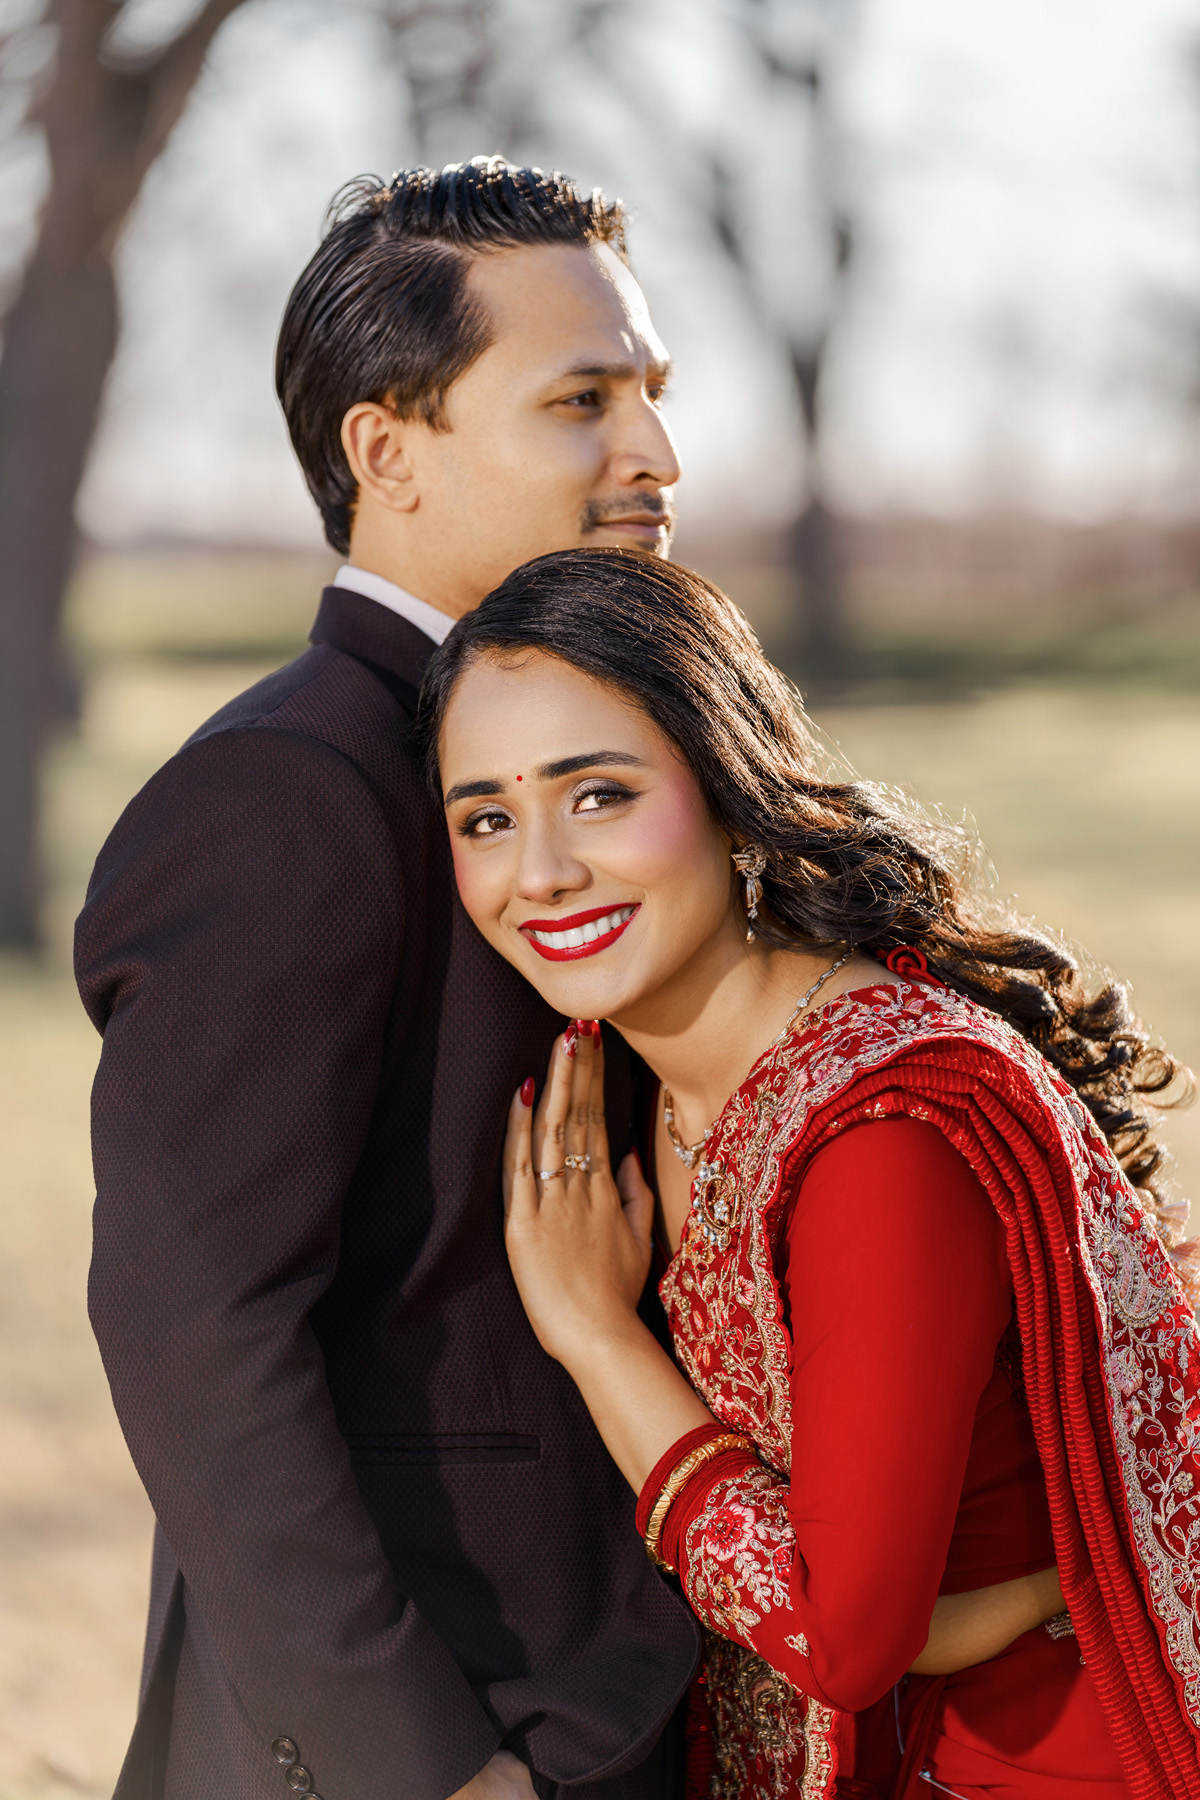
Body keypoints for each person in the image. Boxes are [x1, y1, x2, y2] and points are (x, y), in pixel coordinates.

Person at [75, 159, 699, 1800]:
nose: (654, 455)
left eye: (650, 393)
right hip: (450, 1726)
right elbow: (194, 1321)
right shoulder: (285, 792)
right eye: (582, 399)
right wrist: (411, 1763)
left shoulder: (629, 751)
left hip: (632, 1690)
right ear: (385, 450)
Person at [417, 547, 1200, 1800]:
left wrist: (594, 1337)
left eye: (600, 795)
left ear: (728, 791)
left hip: (1041, 1759)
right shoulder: (627, 1083)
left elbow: (844, 1641)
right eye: (487, 819)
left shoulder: (879, 1136)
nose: (541, 872)